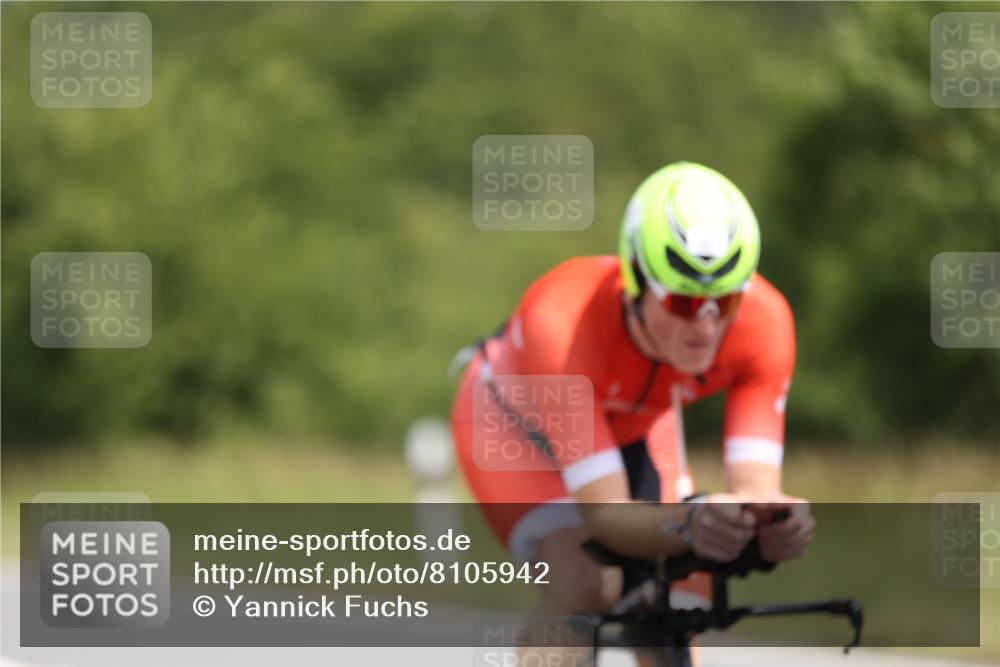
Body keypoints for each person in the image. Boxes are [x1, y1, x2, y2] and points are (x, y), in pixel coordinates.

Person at [449, 162, 815, 664]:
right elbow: (605, 517)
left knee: (680, 593)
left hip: (634, 425)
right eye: (685, 304)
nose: (707, 327)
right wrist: (692, 522)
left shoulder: (764, 322)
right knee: (584, 583)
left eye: (726, 301)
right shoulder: (562, 324)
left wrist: (774, 526)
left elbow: (755, 489)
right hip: (511, 423)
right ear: (637, 282)